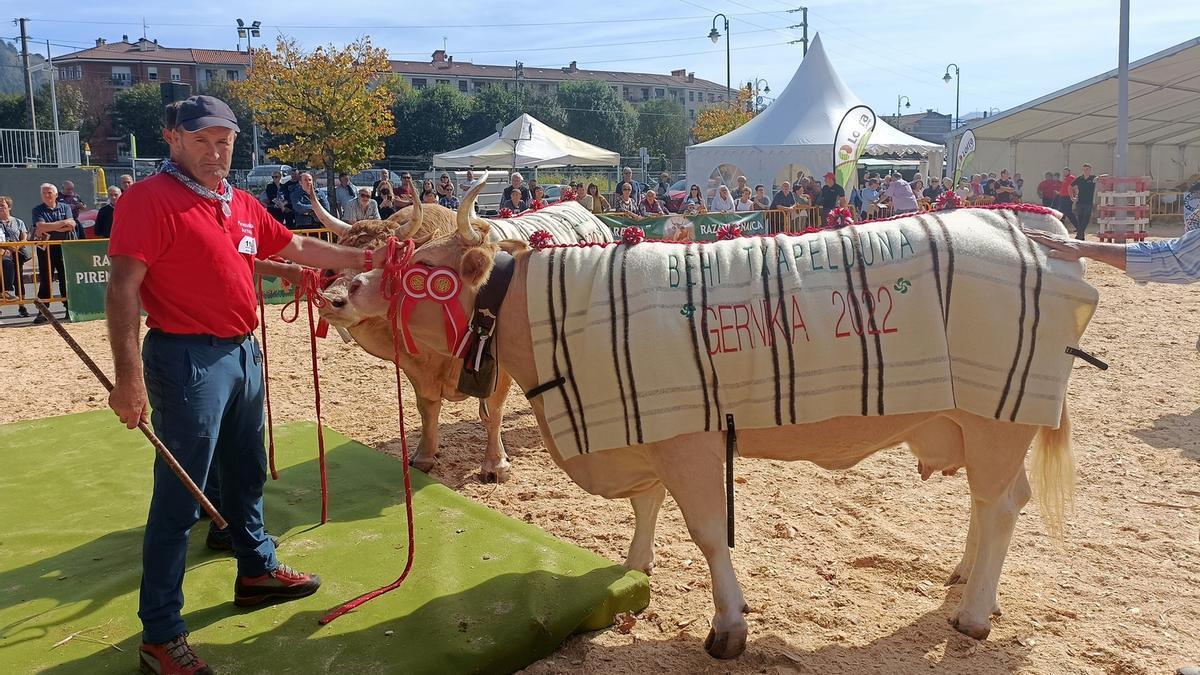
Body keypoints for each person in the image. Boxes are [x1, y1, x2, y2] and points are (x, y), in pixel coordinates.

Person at [107, 95, 380, 675]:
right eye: (202, 140)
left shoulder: (240, 202)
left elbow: (297, 246)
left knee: (247, 470)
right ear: (173, 138)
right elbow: (123, 289)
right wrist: (127, 380)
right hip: (184, 359)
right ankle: (160, 634)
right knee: (179, 500)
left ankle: (255, 570)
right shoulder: (146, 200)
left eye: (224, 141)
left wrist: (366, 255)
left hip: (242, 351)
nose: (216, 151)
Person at [30, 183, 77, 323]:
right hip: (45, 249)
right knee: (45, 279)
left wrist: (51, 227)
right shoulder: (37, 210)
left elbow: (72, 225)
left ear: (56, 194)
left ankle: (69, 308)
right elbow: (40, 226)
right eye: (44, 193)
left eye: (50, 192)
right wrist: (62, 223)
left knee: (65, 278)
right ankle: (43, 311)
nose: (47, 195)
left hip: (64, 248)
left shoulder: (65, 207)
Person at [0, 195, 30, 317]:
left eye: (3, 205)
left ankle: (22, 306)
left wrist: (16, 247)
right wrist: (6, 248)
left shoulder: (18, 222)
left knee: (19, 280)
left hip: (17, 254)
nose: (1, 208)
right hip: (1, 255)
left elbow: (24, 237)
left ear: (9, 207)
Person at [1071, 163, 1097, 240]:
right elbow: (1070, 186)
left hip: (1088, 203)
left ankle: (1079, 234)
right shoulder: (1079, 178)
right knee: (1080, 220)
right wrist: (1072, 197)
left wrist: (1099, 177)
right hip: (1080, 202)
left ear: (1090, 170)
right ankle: (1080, 236)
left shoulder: (1093, 178)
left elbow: (1103, 177)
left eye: (1087, 169)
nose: (1086, 171)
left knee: (1086, 220)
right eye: (1084, 169)